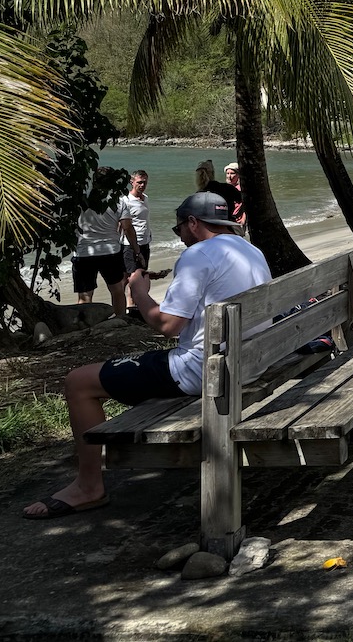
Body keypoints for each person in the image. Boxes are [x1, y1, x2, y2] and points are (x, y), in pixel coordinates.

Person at [23, 191, 269, 521]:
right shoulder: (250, 250)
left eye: (179, 229)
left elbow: (166, 325)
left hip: (202, 370)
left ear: (193, 224)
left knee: (78, 381)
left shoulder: (198, 255)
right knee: (131, 369)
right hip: (249, 361)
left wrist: (138, 292)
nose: (180, 237)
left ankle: (88, 487)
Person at [72, 168, 127, 313]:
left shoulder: (82, 200)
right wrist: (136, 249)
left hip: (84, 251)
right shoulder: (118, 201)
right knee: (117, 290)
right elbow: (127, 227)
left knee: (85, 296)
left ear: (94, 180)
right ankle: (121, 320)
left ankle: (84, 326)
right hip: (110, 251)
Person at [118, 171, 154, 316]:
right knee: (128, 277)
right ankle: (125, 307)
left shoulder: (145, 198)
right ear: (132, 182)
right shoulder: (125, 200)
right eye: (139, 182)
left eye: (145, 182)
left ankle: (134, 307)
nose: (142, 185)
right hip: (129, 244)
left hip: (145, 242)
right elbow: (122, 225)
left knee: (140, 275)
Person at [223, 162, 247, 229]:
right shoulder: (225, 188)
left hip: (237, 221)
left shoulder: (241, 189)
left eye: (232, 173)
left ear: (238, 175)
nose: (229, 176)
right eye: (228, 173)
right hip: (226, 220)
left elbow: (247, 206)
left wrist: (243, 219)